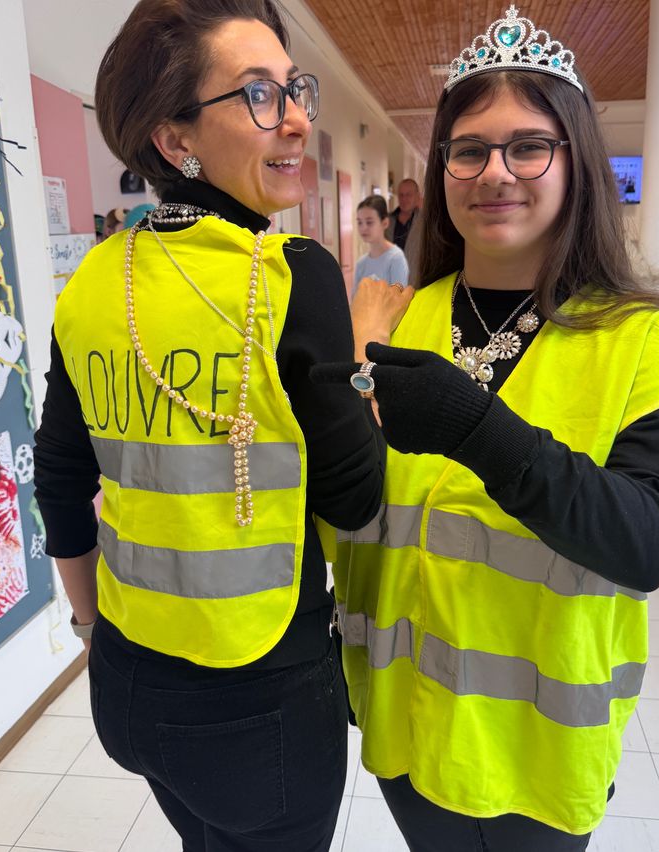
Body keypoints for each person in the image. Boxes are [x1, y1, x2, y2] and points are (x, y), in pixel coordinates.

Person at [311, 5, 659, 851]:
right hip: (404, 727)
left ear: (576, 164)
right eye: (469, 148)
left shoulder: (637, 338)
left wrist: (478, 429)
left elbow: (655, 540)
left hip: (538, 751)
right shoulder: (401, 320)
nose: (495, 171)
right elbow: (359, 517)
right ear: (443, 165)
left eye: (528, 145)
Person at [32, 1, 384, 849]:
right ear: (174, 139)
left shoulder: (93, 280)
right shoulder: (291, 274)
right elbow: (354, 498)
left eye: (293, 88)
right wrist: (366, 351)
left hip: (125, 687)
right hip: (256, 706)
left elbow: (60, 476)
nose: (297, 116)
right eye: (258, 95)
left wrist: (89, 629)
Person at [353, 195, 409, 300]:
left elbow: (399, 302)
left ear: (385, 223)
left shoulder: (396, 258)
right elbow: (355, 300)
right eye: (360, 222)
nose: (363, 228)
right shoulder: (361, 263)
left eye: (369, 222)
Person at [386, 178, 420, 254]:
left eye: (408, 195)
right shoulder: (388, 221)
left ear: (417, 196)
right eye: (401, 195)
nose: (404, 199)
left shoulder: (425, 223)